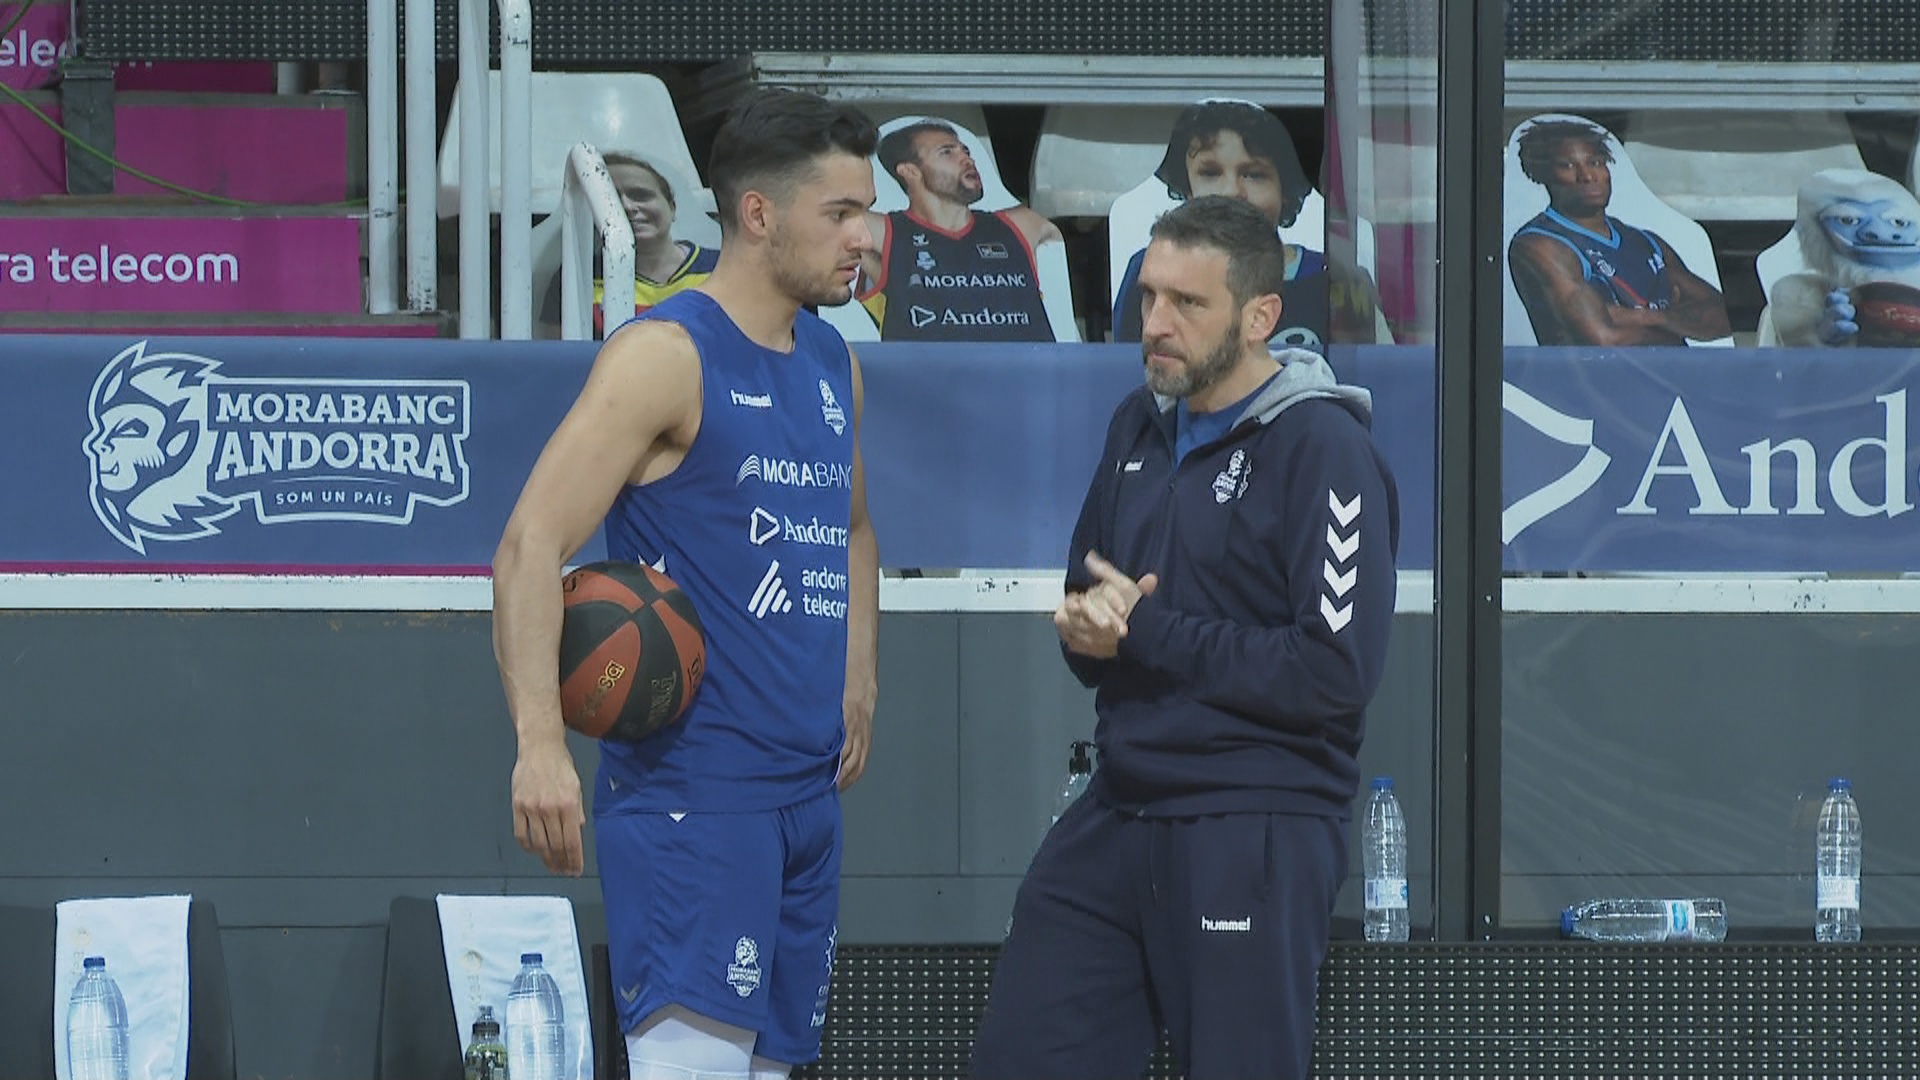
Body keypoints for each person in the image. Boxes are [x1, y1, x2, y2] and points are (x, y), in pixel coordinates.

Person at [491, 88, 880, 1080]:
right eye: (840, 212)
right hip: (693, 802)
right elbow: (531, 545)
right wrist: (540, 745)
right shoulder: (665, 356)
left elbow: (855, 526)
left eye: (867, 210)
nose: (865, 236)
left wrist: (859, 677)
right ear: (758, 216)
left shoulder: (835, 358)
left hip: (806, 801)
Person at [970, 196, 1401, 1080]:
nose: (1155, 325)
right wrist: (1089, 631)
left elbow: (1334, 671)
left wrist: (1144, 631)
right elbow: (1091, 603)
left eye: (1186, 304)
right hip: (1119, 804)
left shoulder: (1324, 448)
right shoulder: (1137, 422)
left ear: (1259, 317)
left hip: (1254, 821)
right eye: (1147, 298)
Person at [1113, 100, 1331, 349]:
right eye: (1210, 173)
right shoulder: (1151, 272)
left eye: (1254, 174)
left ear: (1285, 190)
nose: (1231, 191)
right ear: (1187, 189)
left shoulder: (1331, 279)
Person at [1507, 118, 1731, 346]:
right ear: (1544, 174)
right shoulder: (1540, 243)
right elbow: (1605, 338)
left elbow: (1724, 317)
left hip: (1672, 379)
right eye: (1568, 166)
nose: (1587, 176)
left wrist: (1644, 316)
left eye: (1595, 162)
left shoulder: (1646, 242)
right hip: (1599, 381)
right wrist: (1678, 324)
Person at [855, 119, 1063, 341]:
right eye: (947, 152)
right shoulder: (884, 232)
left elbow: (1069, 253)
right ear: (910, 171)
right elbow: (827, 212)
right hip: (932, 374)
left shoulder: (1019, 224)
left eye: (966, 151)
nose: (967, 159)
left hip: (1027, 374)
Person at [538, 152, 720, 339]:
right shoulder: (576, 278)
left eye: (641, 195)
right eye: (611, 200)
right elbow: (564, 361)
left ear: (672, 207)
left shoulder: (722, 267)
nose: (627, 206)